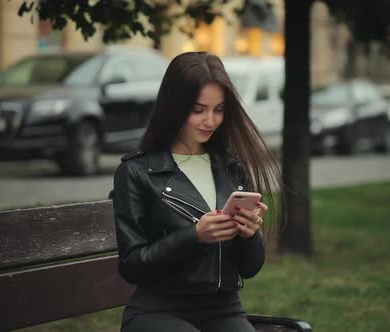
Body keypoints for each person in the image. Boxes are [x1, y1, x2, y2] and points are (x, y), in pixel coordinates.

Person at [112, 51, 283, 332]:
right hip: (159, 309)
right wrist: (194, 236)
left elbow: (249, 268)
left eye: (218, 110)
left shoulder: (231, 167)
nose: (210, 121)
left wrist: (251, 234)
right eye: (198, 110)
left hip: (224, 309)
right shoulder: (137, 172)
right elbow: (132, 266)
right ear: (175, 106)